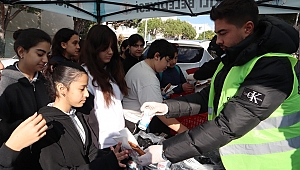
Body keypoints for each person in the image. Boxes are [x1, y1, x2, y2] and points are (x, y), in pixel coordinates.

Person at [137, 0, 300, 169]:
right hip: (236, 161)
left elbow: (229, 124)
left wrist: (166, 151)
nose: (218, 40)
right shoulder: (232, 59)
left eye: (223, 33)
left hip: (273, 163)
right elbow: (207, 96)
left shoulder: (273, 66)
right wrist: (165, 108)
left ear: (247, 28)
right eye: (217, 34)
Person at [31, 61, 130, 170]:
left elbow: (89, 151)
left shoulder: (77, 115)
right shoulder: (46, 124)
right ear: (61, 89)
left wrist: (111, 158)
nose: (87, 94)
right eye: (81, 89)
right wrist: (104, 163)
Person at [0, 28, 51, 170]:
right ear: (21, 52)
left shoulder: (45, 83)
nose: (45, 60)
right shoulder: (6, 84)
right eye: (40, 54)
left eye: (48, 54)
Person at [122, 39, 188, 135]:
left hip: (129, 119)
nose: (168, 65)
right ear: (157, 56)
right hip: (134, 123)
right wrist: (184, 131)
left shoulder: (140, 67)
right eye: (167, 60)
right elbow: (160, 113)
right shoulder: (148, 77)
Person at [81, 25, 128, 151]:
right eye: (105, 47)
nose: (110, 52)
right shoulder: (84, 75)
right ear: (94, 47)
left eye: (112, 47)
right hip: (101, 143)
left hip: (119, 140)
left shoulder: (112, 72)